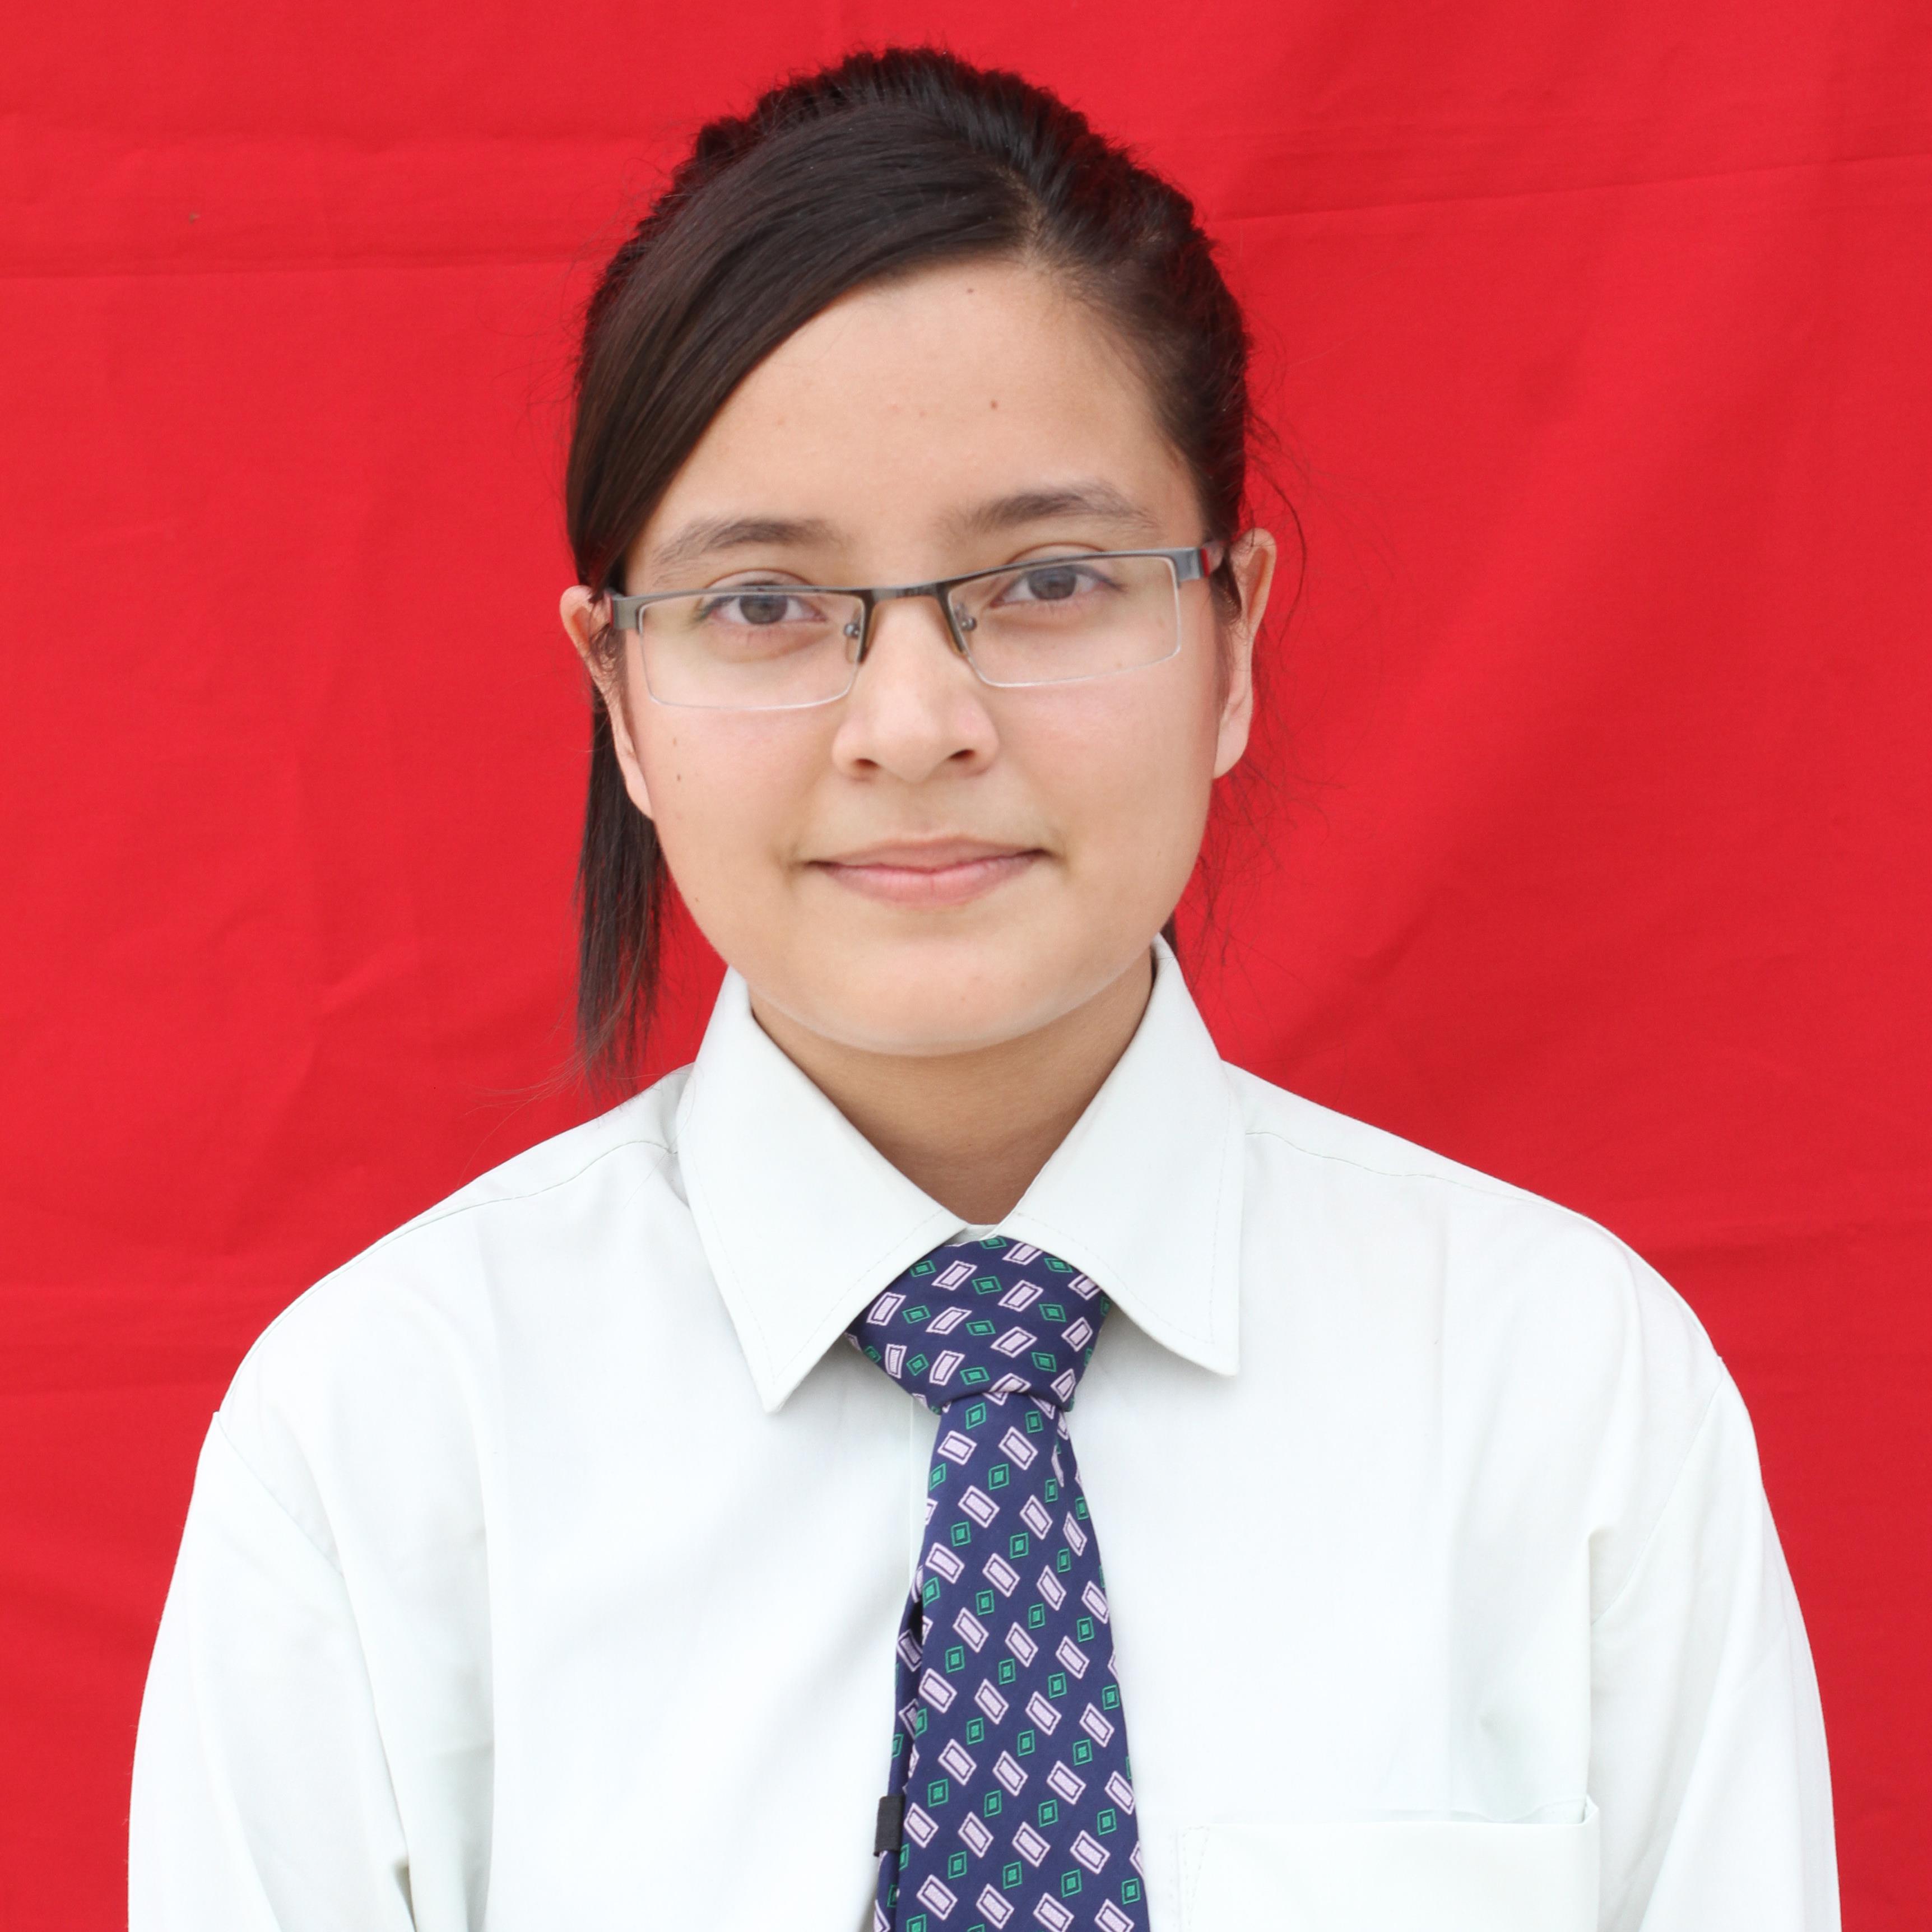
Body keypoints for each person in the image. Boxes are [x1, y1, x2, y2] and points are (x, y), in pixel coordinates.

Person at [128, 46, 1838, 1932]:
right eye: (765, 606)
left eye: (1047, 582)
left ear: (1234, 638)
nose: (915, 723)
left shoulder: (1570, 1399)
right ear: (618, 692)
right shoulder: (381, 1445)